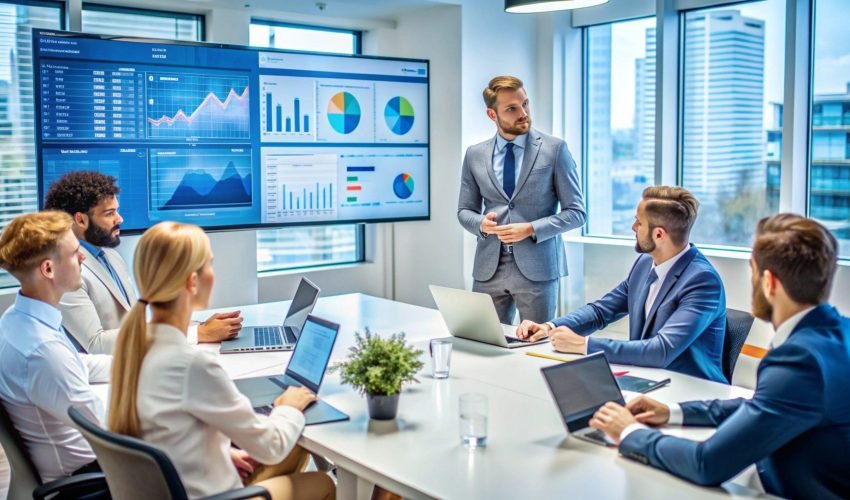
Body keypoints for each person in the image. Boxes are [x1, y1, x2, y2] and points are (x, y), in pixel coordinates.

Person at [590, 214, 850, 498]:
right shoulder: (837, 333)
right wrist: (675, 412)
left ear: (770, 283)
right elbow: (763, 406)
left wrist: (629, 432)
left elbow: (706, 464)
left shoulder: (799, 360)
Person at [108, 221, 333, 500]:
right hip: (212, 495)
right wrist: (288, 406)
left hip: (182, 484)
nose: (214, 275)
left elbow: (160, 433)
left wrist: (220, 453)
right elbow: (271, 446)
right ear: (192, 282)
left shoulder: (135, 349)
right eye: (210, 265)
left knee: (296, 445)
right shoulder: (193, 366)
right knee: (324, 483)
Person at [517, 186, 726, 382]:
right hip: (646, 378)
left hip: (690, 389)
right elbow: (601, 311)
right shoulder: (645, 264)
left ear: (659, 234)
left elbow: (661, 350)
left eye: (639, 222)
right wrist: (550, 327)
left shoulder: (702, 282)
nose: (633, 227)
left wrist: (585, 345)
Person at [44, 170, 243, 354]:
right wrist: (196, 334)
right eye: (109, 213)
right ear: (80, 220)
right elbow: (96, 344)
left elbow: (137, 325)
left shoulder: (110, 256)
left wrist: (196, 327)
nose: (119, 219)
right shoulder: (66, 273)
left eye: (117, 211)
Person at [457, 75, 585, 324]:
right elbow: (464, 211)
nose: (523, 112)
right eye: (512, 109)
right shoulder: (474, 155)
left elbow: (577, 212)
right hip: (488, 268)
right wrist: (481, 224)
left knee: (534, 346)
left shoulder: (555, 149)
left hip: (538, 269)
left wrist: (530, 229)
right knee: (485, 343)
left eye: (525, 104)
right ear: (492, 115)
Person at [0, 211, 110, 481]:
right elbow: (106, 428)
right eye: (74, 253)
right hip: (96, 478)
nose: (83, 257)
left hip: (92, 466)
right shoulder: (43, 351)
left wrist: (140, 366)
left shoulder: (16, 319)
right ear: (48, 269)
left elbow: (76, 362)